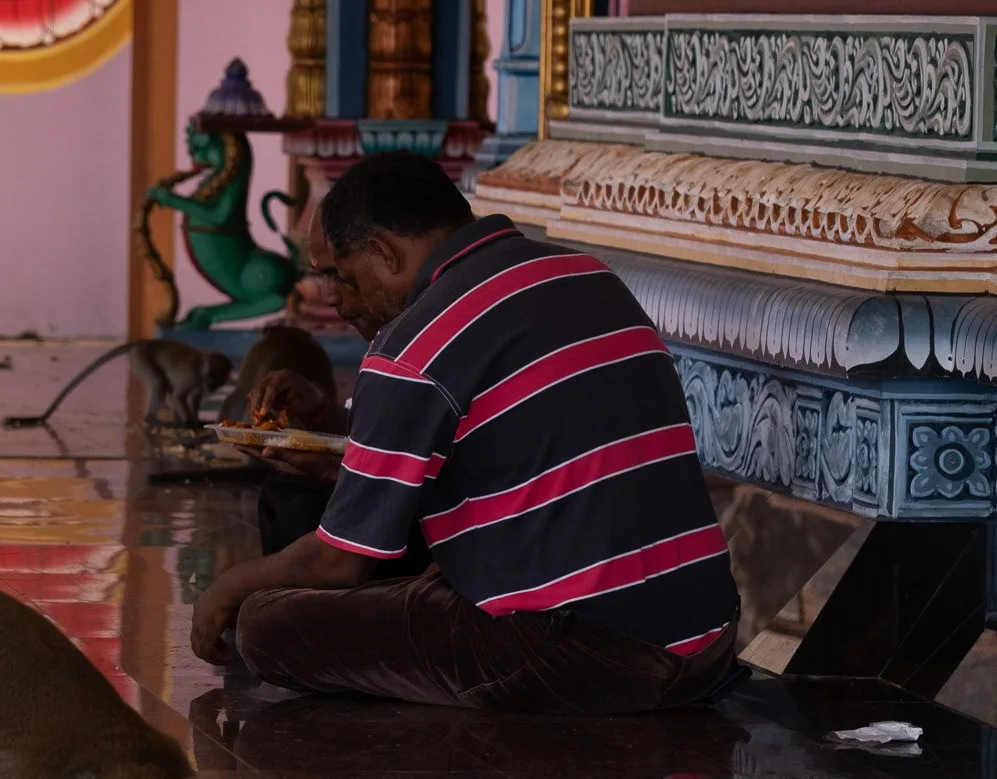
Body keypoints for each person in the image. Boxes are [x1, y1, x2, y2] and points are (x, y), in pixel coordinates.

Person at [191, 151, 740, 714]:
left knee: (266, 625)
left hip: (589, 656)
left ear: (383, 253)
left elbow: (338, 562)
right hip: (707, 638)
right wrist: (333, 423)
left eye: (344, 276)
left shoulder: (413, 345)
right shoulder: (586, 274)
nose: (333, 296)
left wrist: (228, 589)